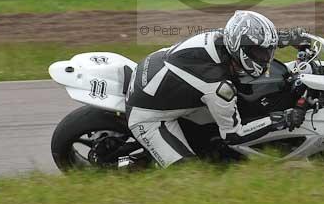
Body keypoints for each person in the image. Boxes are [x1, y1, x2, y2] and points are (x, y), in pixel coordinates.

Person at [126, 10, 306, 168]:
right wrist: (281, 119)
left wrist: (287, 38)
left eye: (266, 51)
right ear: (241, 49)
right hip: (147, 117)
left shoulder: (223, 38)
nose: (266, 57)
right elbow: (234, 134)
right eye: (260, 53)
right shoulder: (217, 85)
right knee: (188, 175)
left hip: (152, 76)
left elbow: (252, 38)